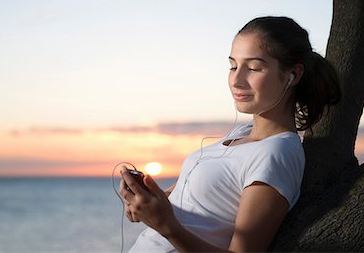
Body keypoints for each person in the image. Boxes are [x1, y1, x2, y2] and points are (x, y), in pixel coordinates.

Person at [119, 16, 341, 253]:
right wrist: (145, 205)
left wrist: (167, 226)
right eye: (233, 66)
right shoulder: (242, 133)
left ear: (293, 75)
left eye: (254, 67)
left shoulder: (278, 153)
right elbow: (187, 201)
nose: (236, 80)